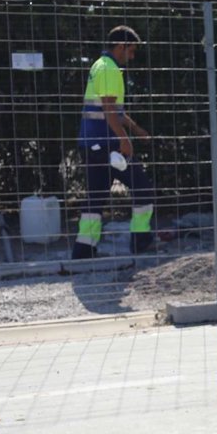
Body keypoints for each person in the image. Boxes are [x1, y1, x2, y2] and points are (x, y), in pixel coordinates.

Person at [71, 25, 154, 260]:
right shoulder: (110, 70)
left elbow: (113, 110)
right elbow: (108, 109)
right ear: (120, 46)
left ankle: (83, 249)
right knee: (142, 186)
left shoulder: (99, 65)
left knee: (95, 197)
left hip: (91, 143)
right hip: (106, 143)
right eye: (131, 50)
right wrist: (125, 140)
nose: (132, 56)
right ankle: (141, 240)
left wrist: (135, 128)